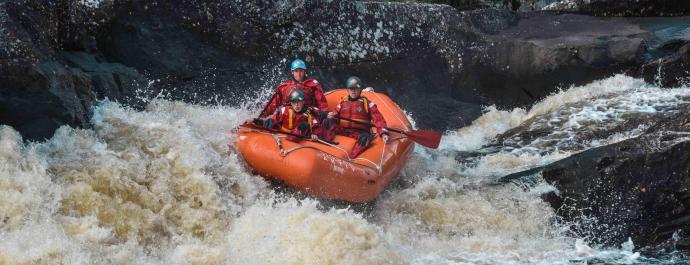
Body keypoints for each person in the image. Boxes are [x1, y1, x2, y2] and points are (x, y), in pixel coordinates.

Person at [326, 76, 389, 158]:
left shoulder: (368, 104)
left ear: (360, 90)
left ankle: (352, 158)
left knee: (366, 137)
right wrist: (331, 116)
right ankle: (326, 144)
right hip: (343, 130)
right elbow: (335, 115)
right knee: (327, 122)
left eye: (356, 88)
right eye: (351, 89)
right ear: (348, 90)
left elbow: (378, 118)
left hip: (359, 133)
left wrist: (383, 133)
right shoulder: (342, 103)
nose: (353, 91)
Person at [260, 59, 328, 117]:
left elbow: (322, 103)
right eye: (296, 71)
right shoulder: (284, 87)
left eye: (301, 71)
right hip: (288, 115)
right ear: (292, 72)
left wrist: (324, 115)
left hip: (307, 115)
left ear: (304, 71)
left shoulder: (313, 85)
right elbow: (272, 104)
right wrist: (263, 115)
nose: (299, 74)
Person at [255, 89, 325, 142]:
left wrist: (315, 134)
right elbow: (271, 119)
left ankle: (292, 139)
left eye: (299, 102)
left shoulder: (309, 114)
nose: (297, 105)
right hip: (282, 134)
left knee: (304, 125)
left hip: (296, 138)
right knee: (270, 121)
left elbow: (316, 126)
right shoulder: (284, 111)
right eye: (294, 102)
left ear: (303, 102)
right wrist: (256, 121)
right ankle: (262, 134)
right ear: (291, 103)